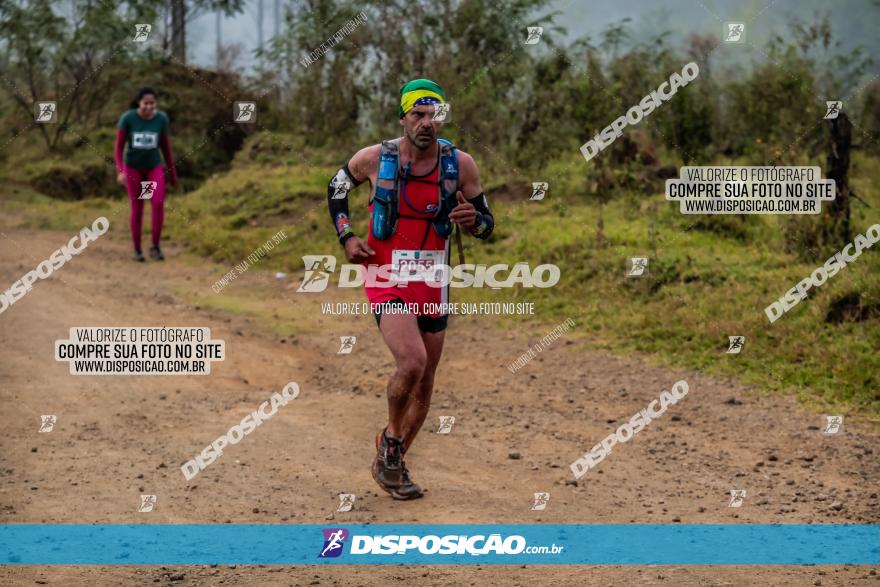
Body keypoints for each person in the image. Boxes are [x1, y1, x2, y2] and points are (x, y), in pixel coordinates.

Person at [326, 79, 495, 500]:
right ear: (402, 117)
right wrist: (347, 237)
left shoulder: (462, 165)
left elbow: (488, 224)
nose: (426, 123)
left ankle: (392, 453)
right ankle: (391, 448)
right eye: (417, 114)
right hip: (385, 274)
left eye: (434, 114)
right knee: (413, 361)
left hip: (433, 279)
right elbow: (335, 189)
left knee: (426, 383)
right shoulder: (372, 159)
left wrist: (473, 220)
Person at [115, 86, 177, 262]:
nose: (149, 107)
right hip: (134, 168)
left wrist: (172, 174)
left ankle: (155, 247)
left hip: (152, 168)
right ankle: (137, 250)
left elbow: (166, 149)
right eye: (145, 103)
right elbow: (118, 148)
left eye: (152, 103)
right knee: (138, 206)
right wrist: (120, 172)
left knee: (157, 203)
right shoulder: (128, 119)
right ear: (138, 103)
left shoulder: (161, 119)